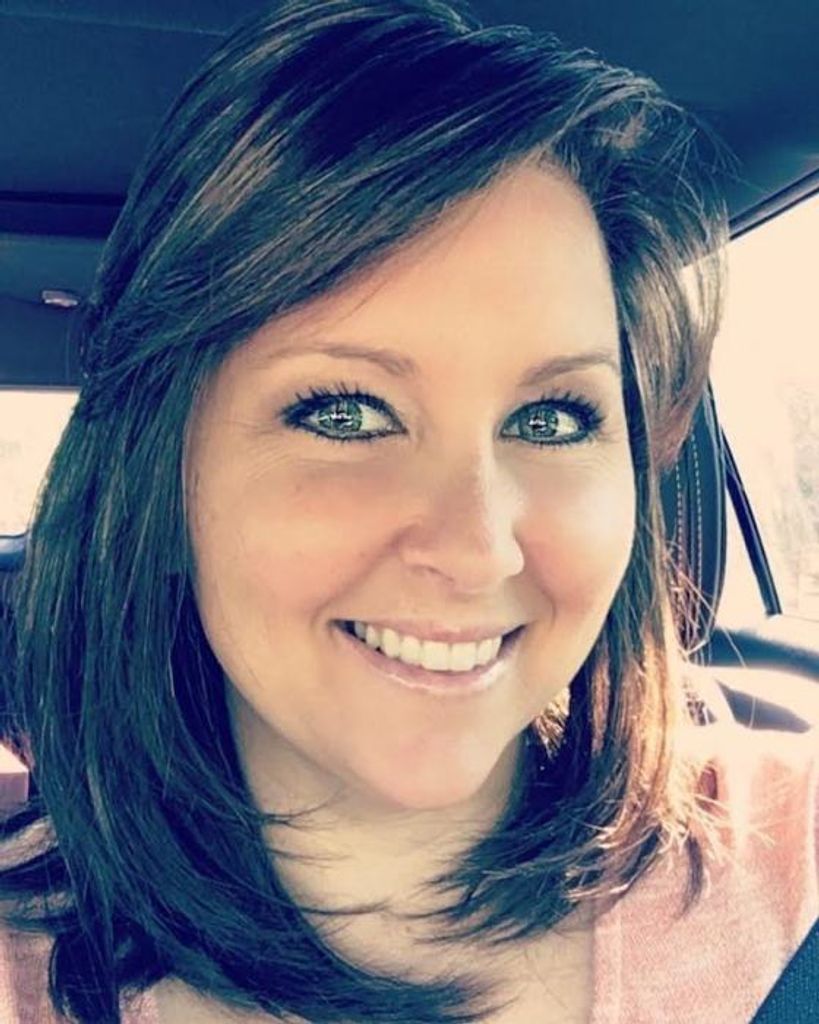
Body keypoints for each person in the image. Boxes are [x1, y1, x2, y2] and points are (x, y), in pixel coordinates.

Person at [0, 1, 816, 1022]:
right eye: (345, 413)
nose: (477, 548)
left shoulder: (795, 871)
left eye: (552, 418)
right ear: (159, 485)